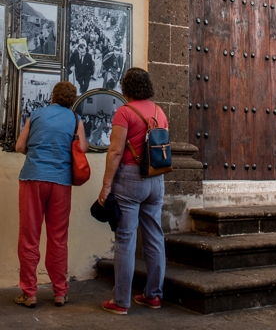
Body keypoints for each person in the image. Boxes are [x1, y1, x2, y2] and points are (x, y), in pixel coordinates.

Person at [99, 67, 169, 315]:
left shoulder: (124, 112)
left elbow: (116, 151)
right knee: (154, 237)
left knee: (125, 240)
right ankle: (153, 295)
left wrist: (106, 186)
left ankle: (121, 301)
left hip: (129, 178)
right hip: (156, 178)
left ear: (126, 88)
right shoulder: (160, 112)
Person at [14, 81, 88, 309]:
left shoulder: (36, 114)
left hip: (33, 178)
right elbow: (82, 149)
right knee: (58, 238)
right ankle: (60, 292)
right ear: (72, 100)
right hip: (61, 182)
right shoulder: (75, 119)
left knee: (29, 237)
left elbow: (19, 146)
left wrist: (37, 151)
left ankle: (29, 293)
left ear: (53, 97)